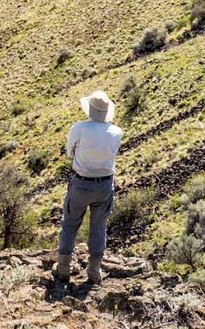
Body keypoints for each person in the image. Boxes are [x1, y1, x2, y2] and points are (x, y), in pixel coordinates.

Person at [54, 90, 122, 284]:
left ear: (90, 109)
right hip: (104, 184)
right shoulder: (116, 132)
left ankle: (64, 269)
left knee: (70, 224)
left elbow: (69, 152)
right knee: (99, 228)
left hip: (81, 183)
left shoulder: (79, 128)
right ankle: (94, 272)